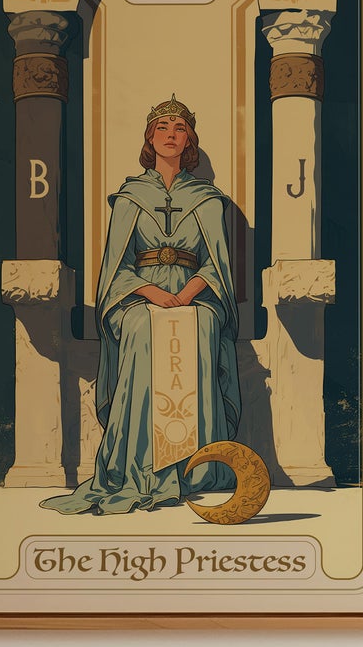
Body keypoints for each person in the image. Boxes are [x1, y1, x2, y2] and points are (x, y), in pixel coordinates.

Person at [40, 94, 240, 515]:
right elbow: (118, 265)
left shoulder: (207, 198)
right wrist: (152, 294)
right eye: (163, 128)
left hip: (194, 292)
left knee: (202, 325)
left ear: (190, 141)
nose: (171, 135)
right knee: (138, 327)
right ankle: (139, 463)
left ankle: (193, 469)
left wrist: (186, 295)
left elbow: (216, 263)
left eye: (179, 128)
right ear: (150, 138)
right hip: (141, 293)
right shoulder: (130, 197)